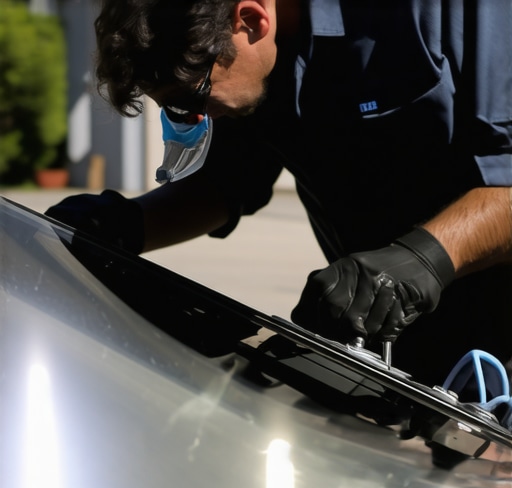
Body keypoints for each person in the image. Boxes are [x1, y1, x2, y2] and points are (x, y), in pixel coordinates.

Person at [46, 0, 512, 386]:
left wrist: (425, 258)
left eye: (193, 98)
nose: (195, 117)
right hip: (400, 360)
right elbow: (229, 183)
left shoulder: (437, 12)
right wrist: (122, 227)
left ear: (250, 19)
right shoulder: (250, 58)